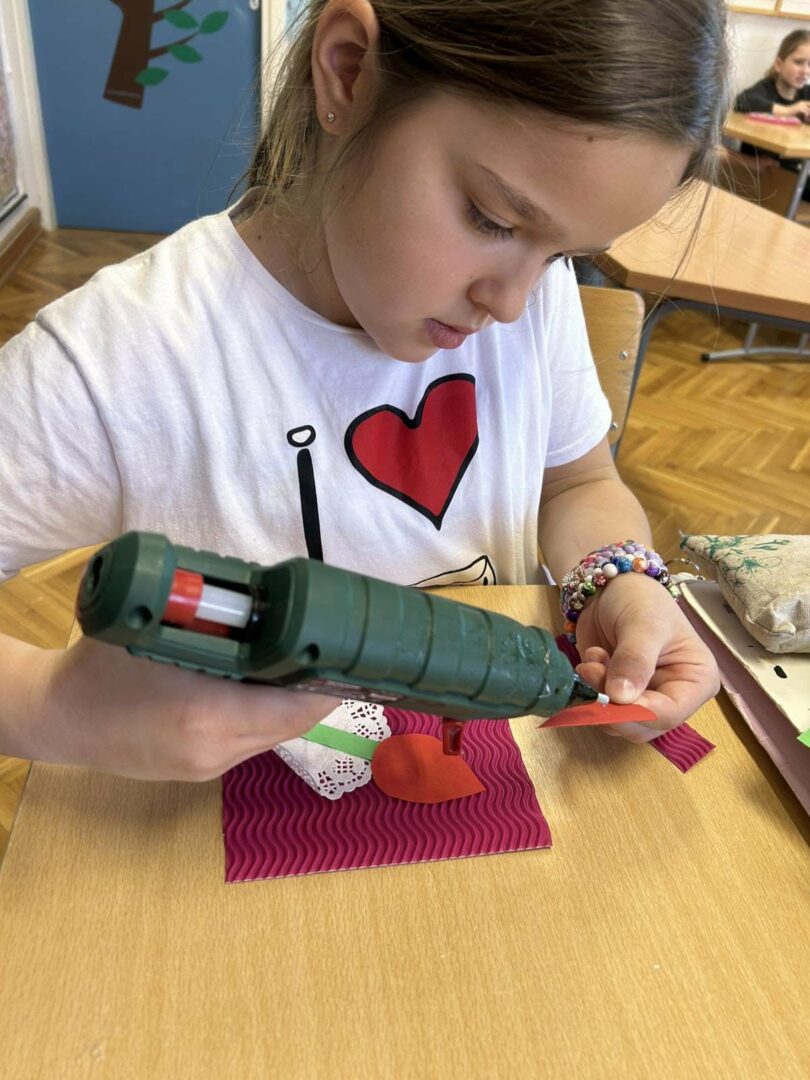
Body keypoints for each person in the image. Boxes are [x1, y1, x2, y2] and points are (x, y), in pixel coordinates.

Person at [0, 0, 728, 782]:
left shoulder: (531, 302)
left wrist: (621, 581)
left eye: (563, 256)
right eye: (491, 219)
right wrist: (53, 708)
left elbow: (577, 481)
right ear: (348, 71)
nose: (512, 303)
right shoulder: (116, 358)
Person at [733, 29, 810, 199]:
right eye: (799, 62)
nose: (805, 71)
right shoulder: (767, 88)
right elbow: (743, 101)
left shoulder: (806, 93)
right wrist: (789, 110)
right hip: (760, 167)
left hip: (793, 168)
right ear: (779, 64)